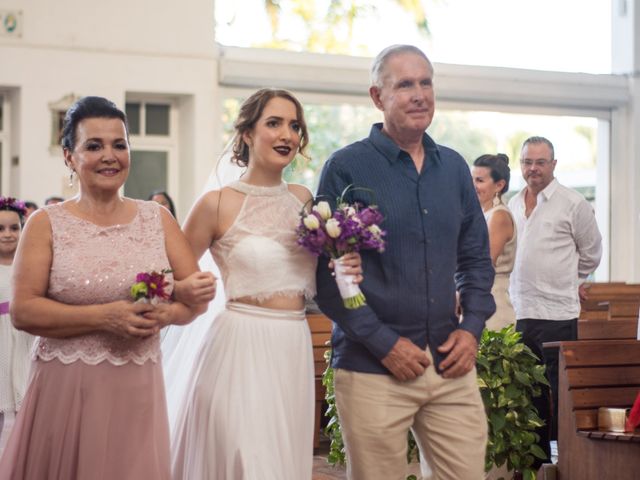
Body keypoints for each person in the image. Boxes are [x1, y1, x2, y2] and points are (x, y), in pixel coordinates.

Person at [0, 96, 207, 480]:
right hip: (66, 386)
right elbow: (24, 311)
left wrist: (170, 311)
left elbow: (190, 302)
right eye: (93, 146)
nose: (109, 155)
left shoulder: (157, 219)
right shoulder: (46, 223)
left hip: (136, 384)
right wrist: (104, 317)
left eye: (119, 144)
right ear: (68, 157)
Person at [315, 44, 495, 480]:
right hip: (374, 369)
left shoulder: (453, 168)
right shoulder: (346, 168)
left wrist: (471, 329)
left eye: (426, 82)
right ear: (378, 96)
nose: (420, 94)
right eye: (405, 85)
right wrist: (384, 344)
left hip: (450, 364)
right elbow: (331, 281)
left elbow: (474, 259)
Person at [169, 88, 362, 480]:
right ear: (246, 134)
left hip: (290, 347)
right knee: (243, 459)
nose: (287, 134)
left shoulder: (305, 200)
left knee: (280, 462)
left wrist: (345, 263)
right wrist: (185, 289)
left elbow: (320, 273)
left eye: (294, 126)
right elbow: (172, 278)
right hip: (237, 345)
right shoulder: (216, 204)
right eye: (273, 123)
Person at [508, 135, 602, 441]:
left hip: (557, 314)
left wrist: (570, 281)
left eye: (540, 162)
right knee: (529, 395)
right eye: (527, 162)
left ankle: (564, 460)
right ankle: (540, 464)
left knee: (557, 393)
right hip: (521, 312)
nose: (533, 168)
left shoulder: (573, 203)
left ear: (553, 164)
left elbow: (592, 252)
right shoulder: (512, 202)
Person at [0, 197, 34, 453]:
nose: (8, 234)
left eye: (14, 228)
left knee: (24, 399)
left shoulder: (30, 265)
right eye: (0, 229)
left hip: (23, 337)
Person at [472, 153, 516, 331]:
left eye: (480, 180)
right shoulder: (480, 214)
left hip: (492, 304)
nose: (473, 186)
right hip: (476, 300)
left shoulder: (498, 216)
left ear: (499, 185)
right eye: (472, 179)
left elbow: (484, 264)